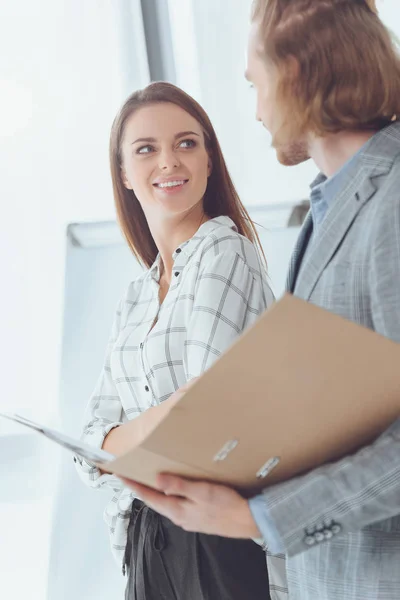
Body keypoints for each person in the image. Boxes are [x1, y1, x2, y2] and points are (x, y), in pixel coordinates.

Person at [123, 2, 400, 599]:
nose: (254, 111)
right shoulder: (329, 210)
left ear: (295, 72)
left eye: (255, 84)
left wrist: (260, 518)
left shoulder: (394, 199)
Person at [75, 81, 275, 599]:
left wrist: (125, 439)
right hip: (144, 541)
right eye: (147, 149)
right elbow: (87, 448)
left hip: (209, 539)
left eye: (187, 143)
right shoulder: (136, 295)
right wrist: (148, 428)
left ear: (210, 161)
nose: (170, 161)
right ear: (124, 173)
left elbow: (205, 424)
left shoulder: (224, 252)